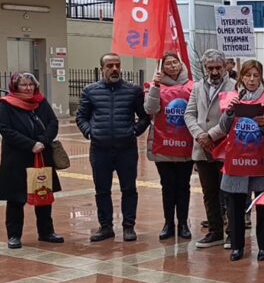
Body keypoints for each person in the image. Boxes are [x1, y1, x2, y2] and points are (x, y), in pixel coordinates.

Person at [76, 53, 150, 242]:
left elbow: (144, 117)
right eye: (110, 66)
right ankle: (106, 227)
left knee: (129, 189)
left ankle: (128, 226)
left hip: (126, 149)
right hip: (100, 149)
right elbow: (81, 117)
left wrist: (134, 131)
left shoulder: (133, 91)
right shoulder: (90, 91)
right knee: (102, 190)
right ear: (102, 69)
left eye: (117, 65)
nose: (114, 69)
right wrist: (89, 132)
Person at [216, 60, 264, 261]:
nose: (252, 80)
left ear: (261, 77)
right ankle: (237, 246)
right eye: (248, 75)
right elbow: (223, 127)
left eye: (256, 75)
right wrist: (229, 113)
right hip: (236, 161)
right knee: (235, 206)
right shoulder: (231, 98)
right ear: (242, 77)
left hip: (261, 161)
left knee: (263, 206)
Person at [0, 73, 63, 249]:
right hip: (17, 158)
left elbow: (53, 122)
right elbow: (5, 129)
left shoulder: (41, 102)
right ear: (15, 87)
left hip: (41, 154)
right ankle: (14, 235)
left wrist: (42, 141)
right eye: (24, 85)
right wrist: (30, 144)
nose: (28, 88)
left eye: (31, 85)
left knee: (43, 194)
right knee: (16, 199)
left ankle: (46, 232)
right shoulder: (6, 104)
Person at [185, 49, 237, 249]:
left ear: (224, 67)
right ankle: (215, 231)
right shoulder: (198, 87)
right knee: (209, 192)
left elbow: (233, 116)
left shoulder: (234, 86)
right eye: (210, 68)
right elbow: (189, 114)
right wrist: (200, 135)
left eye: (218, 68)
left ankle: (232, 233)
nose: (214, 72)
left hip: (225, 146)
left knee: (229, 192)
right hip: (202, 148)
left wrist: (211, 135)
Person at [144, 53, 195, 241]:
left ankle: (183, 223)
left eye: (175, 62)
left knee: (183, 186)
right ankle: (168, 223)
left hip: (186, 147)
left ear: (181, 65)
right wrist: (156, 87)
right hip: (163, 146)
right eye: (168, 64)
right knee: (167, 186)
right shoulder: (153, 86)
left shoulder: (193, 87)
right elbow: (150, 110)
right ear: (162, 67)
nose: (172, 66)